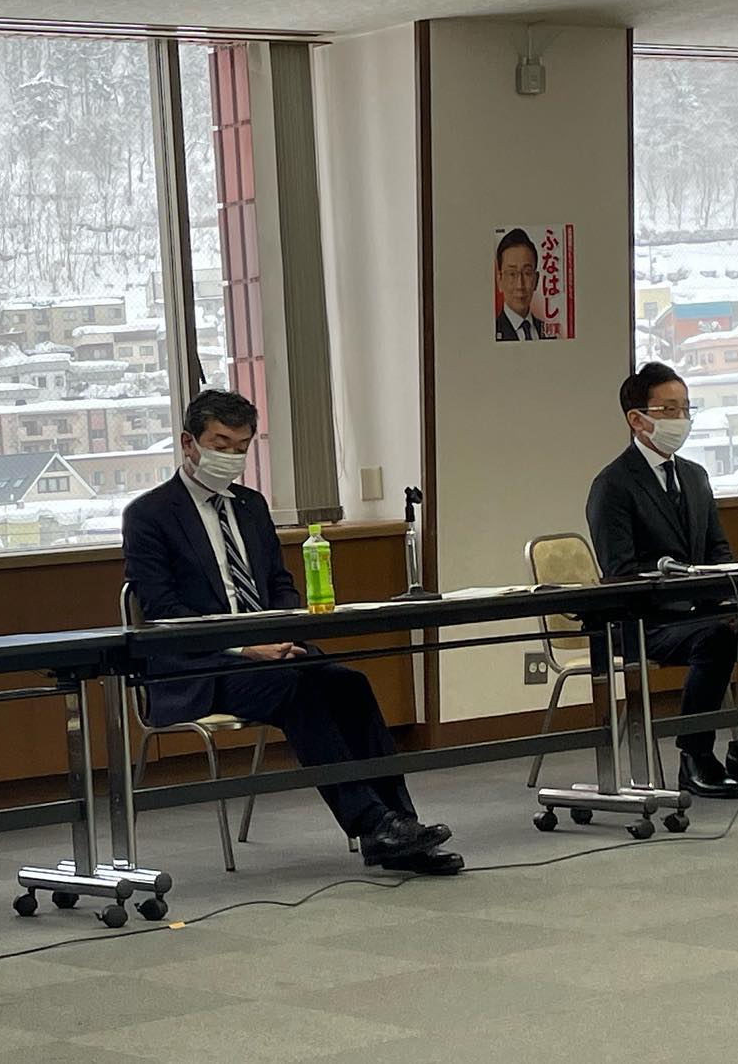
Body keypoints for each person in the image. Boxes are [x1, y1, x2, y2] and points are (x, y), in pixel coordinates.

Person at [122, 389, 461, 874]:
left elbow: (279, 583)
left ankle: (401, 824)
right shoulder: (149, 515)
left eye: (241, 447)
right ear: (188, 443)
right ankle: (373, 825)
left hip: (272, 652)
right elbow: (164, 611)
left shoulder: (250, 506)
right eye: (220, 444)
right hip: (198, 666)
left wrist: (285, 635)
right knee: (298, 690)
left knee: (350, 685)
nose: (231, 456)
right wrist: (245, 646)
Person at [586, 361, 738, 799]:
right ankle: (696, 756)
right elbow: (620, 571)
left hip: (702, 613)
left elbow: (717, 551)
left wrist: (725, 597)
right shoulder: (613, 485)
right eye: (669, 410)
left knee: (724, 629)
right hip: (646, 622)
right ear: (637, 419)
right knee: (716, 639)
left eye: (686, 409)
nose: (681, 419)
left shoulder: (694, 476)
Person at [494, 228, 547, 341]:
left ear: (536, 280)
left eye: (527, 273)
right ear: (500, 281)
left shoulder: (549, 331)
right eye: (512, 274)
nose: (520, 285)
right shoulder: (493, 331)